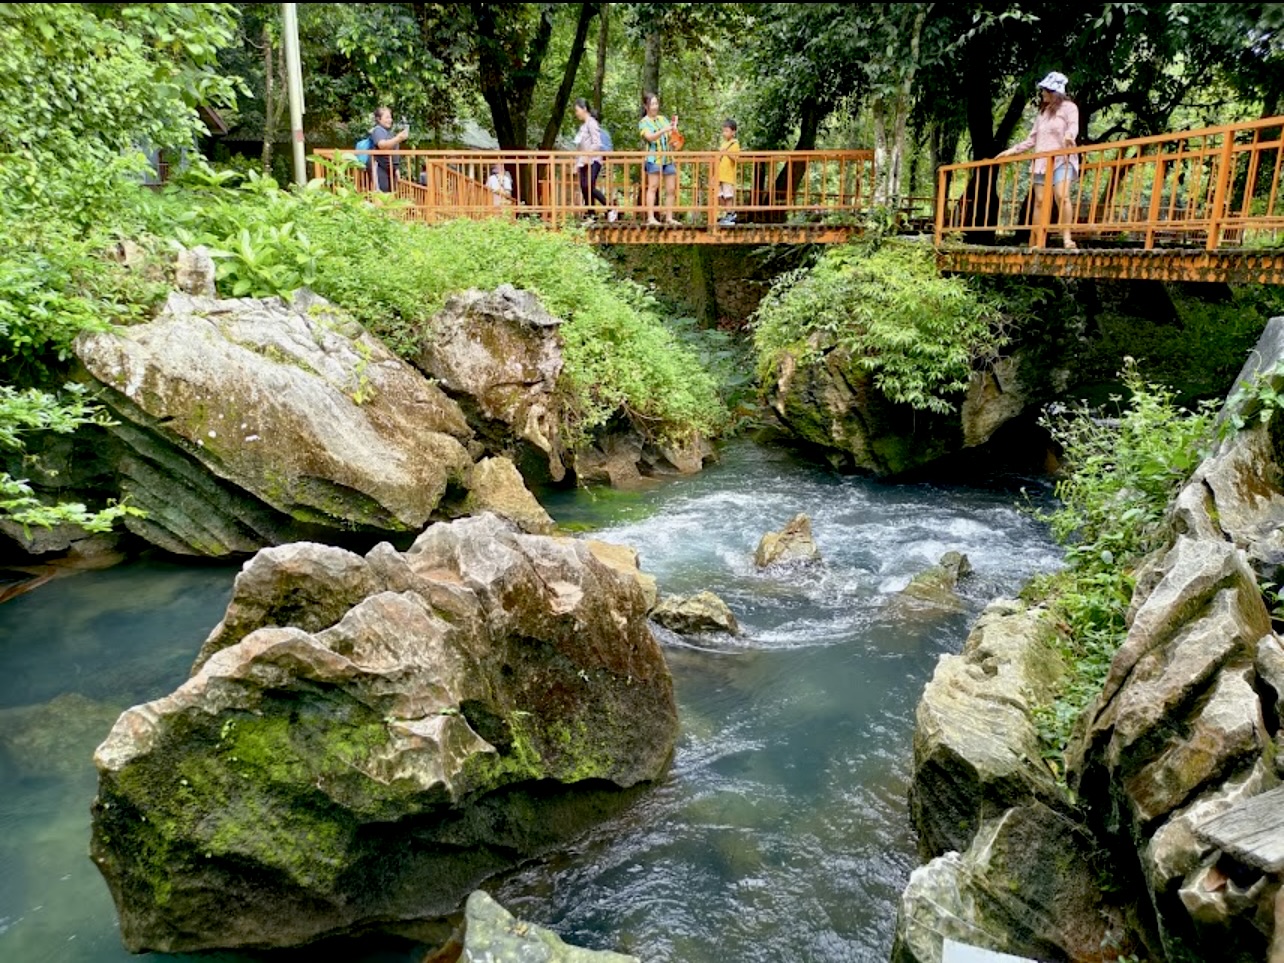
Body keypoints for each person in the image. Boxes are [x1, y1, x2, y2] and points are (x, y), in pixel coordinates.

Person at [997, 72, 1079, 248]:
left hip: (1061, 159)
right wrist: (1012, 151)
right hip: (1041, 161)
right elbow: (1032, 139)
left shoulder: (1069, 108)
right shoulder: (1042, 113)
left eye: (1045, 91)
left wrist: (1069, 136)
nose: (1042, 94)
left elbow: (1073, 126)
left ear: (1054, 91)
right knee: (1040, 201)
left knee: (1062, 196)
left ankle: (1066, 238)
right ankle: (1037, 241)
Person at [638, 92, 679, 226]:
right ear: (646, 106)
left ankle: (669, 217)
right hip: (653, 158)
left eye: (656, 103)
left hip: (668, 157)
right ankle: (651, 217)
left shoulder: (663, 119)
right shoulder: (643, 122)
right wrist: (664, 130)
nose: (655, 106)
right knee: (653, 187)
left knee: (671, 189)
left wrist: (674, 136)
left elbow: (671, 137)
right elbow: (650, 137)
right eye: (652, 104)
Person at [573, 98, 608, 212]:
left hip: (593, 160)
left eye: (577, 110)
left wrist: (588, 155)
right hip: (583, 161)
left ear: (584, 109)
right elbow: (579, 147)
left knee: (589, 186)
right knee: (584, 187)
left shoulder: (592, 123)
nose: (576, 113)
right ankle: (591, 213)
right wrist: (577, 163)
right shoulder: (582, 127)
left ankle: (610, 208)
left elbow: (597, 143)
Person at [370, 107, 408, 193]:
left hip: (391, 169)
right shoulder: (377, 130)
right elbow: (382, 145)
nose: (390, 120)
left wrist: (397, 169)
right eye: (387, 117)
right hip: (380, 166)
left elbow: (395, 152)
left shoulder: (390, 134)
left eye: (390, 117)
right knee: (381, 194)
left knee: (391, 195)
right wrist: (398, 138)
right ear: (378, 119)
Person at [717, 118, 741, 226]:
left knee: (728, 196)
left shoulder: (734, 144)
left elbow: (736, 158)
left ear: (733, 132)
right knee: (719, 195)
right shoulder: (723, 143)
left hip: (728, 175)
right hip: (720, 174)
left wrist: (727, 153)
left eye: (727, 131)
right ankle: (726, 214)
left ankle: (730, 215)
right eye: (724, 131)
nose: (724, 133)